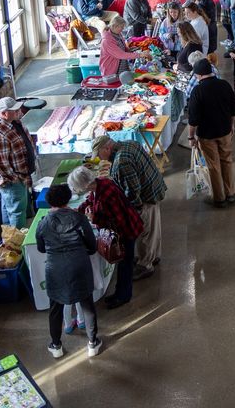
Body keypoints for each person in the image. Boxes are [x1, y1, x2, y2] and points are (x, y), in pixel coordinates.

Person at [34, 184, 101, 359]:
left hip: (55, 268)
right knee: (87, 304)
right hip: (79, 265)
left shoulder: (43, 224)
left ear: (49, 202)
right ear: (68, 199)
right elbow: (92, 246)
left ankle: (56, 346)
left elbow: (41, 248)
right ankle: (93, 343)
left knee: (55, 308)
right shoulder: (79, 218)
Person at [67, 165, 143, 309]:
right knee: (123, 263)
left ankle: (123, 296)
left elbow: (117, 220)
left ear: (85, 184)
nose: (79, 190)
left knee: (125, 265)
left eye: (78, 187)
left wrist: (94, 218)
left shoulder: (107, 193)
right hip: (123, 228)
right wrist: (78, 210)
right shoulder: (99, 184)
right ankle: (119, 293)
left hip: (126, 231)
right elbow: (90, 200)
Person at [92, 134, 166, 280]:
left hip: (146, 197)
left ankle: (146, 265)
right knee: (154, 229)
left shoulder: (121, 161)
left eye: (99, 154)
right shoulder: (130, 143)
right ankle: (154, 256)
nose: (99, 159)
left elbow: (133, 189)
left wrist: (135, 209)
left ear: (107, 148)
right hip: (155, 189)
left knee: (146, 232)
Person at [186, 58, 235, 208]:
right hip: (225, 131)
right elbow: (233, 109)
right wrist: (231, 125)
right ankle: (230, 194)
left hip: (207, 135)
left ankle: (219, 198)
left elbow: (193, 119)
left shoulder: (198, 91)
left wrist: (191, 137)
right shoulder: (224, 85)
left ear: (199, 75)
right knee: (227, 161)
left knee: (213, 166)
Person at [0, 97, 32, 228]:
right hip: (12, 179)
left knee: (8, 206)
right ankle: (18, 241)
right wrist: (15, 179)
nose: (19, 111)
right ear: (4, 113)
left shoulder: (11, 121)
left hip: (19, 175)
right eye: (15, 110)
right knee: (17, 211)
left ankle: (8, 237)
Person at [99, 15, 145, 80]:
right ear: (115, 26)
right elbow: (121, 55)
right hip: (111, 69)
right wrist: (140, 55)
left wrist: (130, 49)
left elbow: (122, 49)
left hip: (121, 66)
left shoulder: (117, 34)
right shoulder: (107, 40)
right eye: (121, 27)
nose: (122, 29)